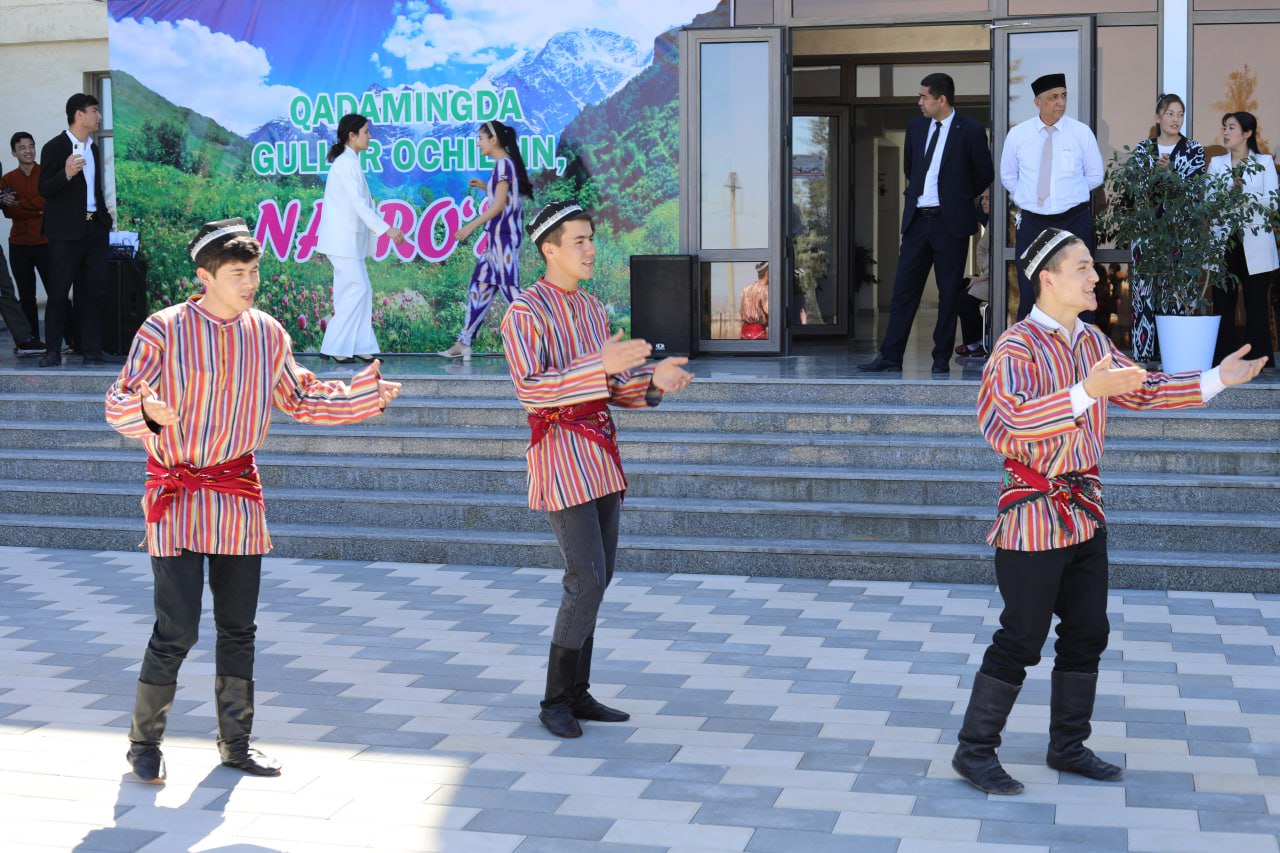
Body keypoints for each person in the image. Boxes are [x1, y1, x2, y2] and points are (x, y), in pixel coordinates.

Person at [951, 227, 1265, 796]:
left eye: (1093, 267)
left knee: (1087, 633)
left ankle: (1067, 745)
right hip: (1032, 516)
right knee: (1022, 637)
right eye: (1082, 268)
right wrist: (1085, 392)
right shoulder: (1015, 346)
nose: (1096, 276)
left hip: (1085, 512)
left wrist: (1218, 377)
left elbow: (1142, 389)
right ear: (1047, 279)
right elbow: (1009, 422)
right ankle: (974, 751)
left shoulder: (1093, 340)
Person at [104, 218, 402, 783]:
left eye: (255, 271)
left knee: (239, 627)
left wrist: (365, 396)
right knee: (177, 628)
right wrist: (145, 411)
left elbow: (303, 397)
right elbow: (119, 398)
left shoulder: (267, 333)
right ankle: (145, 741)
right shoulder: (163, 329)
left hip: (238, 494)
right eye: (238, 273)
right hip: (177, 494)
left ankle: (236, 742)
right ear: (205, 276)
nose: (250, 283)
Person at [499, 201, 694, 739]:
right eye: (579, 241)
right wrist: (597, 366)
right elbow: (531, 391)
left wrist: (654, 381)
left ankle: (577, 693)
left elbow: (614, 388)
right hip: (560, 456)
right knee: (584, 577)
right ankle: (554, 701)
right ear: (550, 249)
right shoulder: (524, 313)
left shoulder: (591, 309)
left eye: (591, 239)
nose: (590, 250)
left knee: (598, 578)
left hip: (601, 456)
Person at [859, 73, 994, 374]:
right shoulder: (916, 127)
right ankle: (891, 356)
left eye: (924, 96)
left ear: (941, 99)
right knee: (903, 290)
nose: (919, 102)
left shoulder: (970, 131)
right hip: (918, 222)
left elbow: (983, 174)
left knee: (949, 293)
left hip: (951, 224)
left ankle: (940, 358)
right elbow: (911, 168)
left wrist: (958, 197)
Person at [1001, 73, 1105, 321]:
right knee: (1031, 288)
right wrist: (1029, 197)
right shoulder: (1018, 135)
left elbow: (1095, 175)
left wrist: (1070, 194)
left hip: (1074, 220)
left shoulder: (1080, 133)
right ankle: (1031, 344)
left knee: (1079, 286)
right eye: (1053, 97)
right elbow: (1008, 176)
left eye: (1064, 96)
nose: (1061, 102)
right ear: (1037, 102)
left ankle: (1081, 344)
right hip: (1033, 222)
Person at [316, 113, 406, 364]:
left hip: (348, 242)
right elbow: (358, 205)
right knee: (358, 289)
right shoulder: (345, 164)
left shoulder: (350, 162)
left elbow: (359, 204)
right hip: (341, 241)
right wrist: (387, 229)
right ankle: (336, 346)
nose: (370, 136)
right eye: (366, 132)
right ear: (352, 136)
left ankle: (358, 345)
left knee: (359, 292)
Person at [440, 120, 532, 363]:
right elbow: (506, 196)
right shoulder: (505, 165)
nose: (478, 144)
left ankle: (544, 338)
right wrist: (485, 186)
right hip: (498, 239)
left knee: (510, 289)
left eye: (481, 139)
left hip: (503, 239)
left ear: (494, 140)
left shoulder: (503, 165)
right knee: (479, 286)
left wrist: (470, 226)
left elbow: (499, 206)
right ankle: (464, 342)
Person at [1128, 94, 1207, 363]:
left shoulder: (1193, 149)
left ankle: (1174, 354)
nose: (1176, 119)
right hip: (1146, 232)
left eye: (1180, 114)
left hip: (1180, 233)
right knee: (1144, 291)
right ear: (1158, 117)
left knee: (1177, 290)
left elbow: (1196, 192)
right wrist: (1155, 175)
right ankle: (1143, 354)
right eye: (1170, 113)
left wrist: (1172, 174)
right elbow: (1135, 190)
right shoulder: (1144, 149)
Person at [38, 93, 113, 366]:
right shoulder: (54, 147)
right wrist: (67, 173)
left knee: (95, 290)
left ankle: (91, 348)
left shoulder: (94, 148)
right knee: (59, 292)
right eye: (95, 110)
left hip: (95, 228)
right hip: (65, 232)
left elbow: (95, 189)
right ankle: (53, 351)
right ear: (79, 115)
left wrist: (104, 220)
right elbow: (44, 189)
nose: (99, 116)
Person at [1208, 111, 1278, 368]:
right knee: (1222, 302)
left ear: (1247, 133)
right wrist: (1227, 191)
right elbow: (1208, 201)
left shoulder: (1264, 162)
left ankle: (1260, 359)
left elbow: (1273, 201)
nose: (1226, 133)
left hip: (1256, 242)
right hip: (1225, 240)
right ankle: (1222, 360)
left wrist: (1244, 192)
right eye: (1224, 127)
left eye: (1231, 128)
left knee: (1256, 302)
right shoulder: (1216, 163)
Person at [1, 131, 49, 354]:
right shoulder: (8, 179)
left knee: (56, 292)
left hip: (45, 241)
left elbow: (47, 203)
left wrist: (20, 203)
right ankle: (30, 341)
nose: (28, 151)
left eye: (31, 146)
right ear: (14, 152)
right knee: (26, 295)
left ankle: (70, 339)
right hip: (18, 244)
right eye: (22, 148)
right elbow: (8, 212)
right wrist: (35, 208)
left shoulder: (46, 173)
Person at [955, 188, 992, 360]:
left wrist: (982, 277)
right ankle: (977, 341)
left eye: (987, 198)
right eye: (982, 198)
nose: (983, 202)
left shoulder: (1004, 224)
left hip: (1001, 281)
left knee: (965, 297)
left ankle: (978, 343)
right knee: (959, 288)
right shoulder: (991, 223)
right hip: (989, 277)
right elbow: (981, 250)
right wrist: (983, 273)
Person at [740, 261, 769, 339]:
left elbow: (741, 311)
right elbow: (771, 312)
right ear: (767, 273)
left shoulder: (746, 289)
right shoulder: (764, 290)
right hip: (758, 334)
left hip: (744, 333)